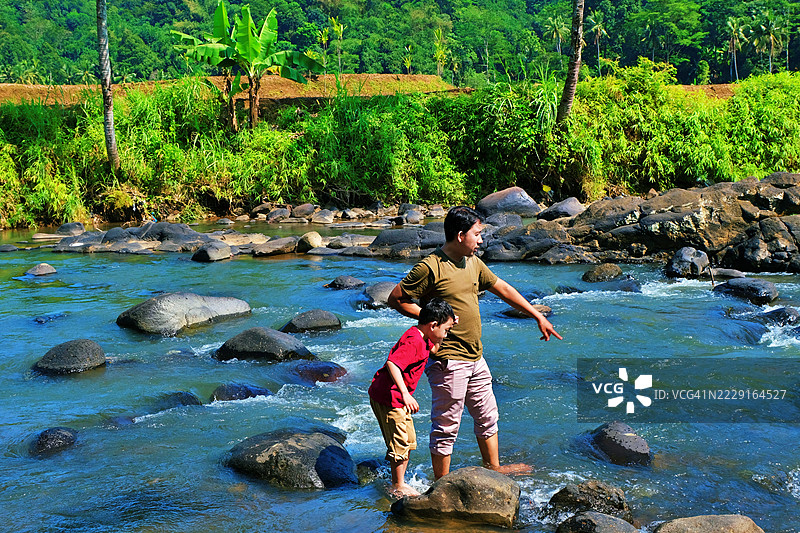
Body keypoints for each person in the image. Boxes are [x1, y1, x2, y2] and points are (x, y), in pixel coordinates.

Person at [387, 206, 562, 480]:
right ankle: (441, 484)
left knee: (487, 416)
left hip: (475, 356)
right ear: (460, 235)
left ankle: (493, 467)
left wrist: (536, 314)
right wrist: (430, 318)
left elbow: (502, 288)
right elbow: (396, 298)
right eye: (477, 234)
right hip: (447, 359)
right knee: (447, 426)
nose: (481, 240)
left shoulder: (473, 262)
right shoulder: (430, 267)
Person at [368, 297, 456, 497]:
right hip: (390, 398)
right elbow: (393, 364)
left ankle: (397, 478)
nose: (447, 333)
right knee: (400, 441)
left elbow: (435, 349)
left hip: (396, 398)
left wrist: (446, 327)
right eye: (446, 329)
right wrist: (405, 394)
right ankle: (397, 485)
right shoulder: (414, 340)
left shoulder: (425, 337)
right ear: (433, 325)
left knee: (408, 440)